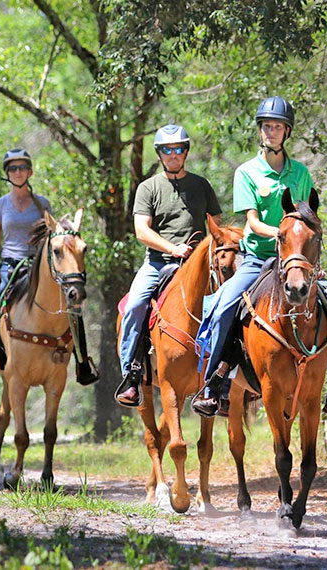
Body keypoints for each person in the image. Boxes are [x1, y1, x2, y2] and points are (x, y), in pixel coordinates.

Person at [190, 96, 327, 425]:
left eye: (278, 127)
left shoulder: (300, 173)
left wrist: (300, 247)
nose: (271, 132)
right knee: (224, 305)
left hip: (297, 261)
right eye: (267, 126)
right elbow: (252, 222)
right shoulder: (247, 173)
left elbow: (308, 220)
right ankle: (214, 384)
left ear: (286, 132)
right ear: (260, 131)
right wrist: (282, 235)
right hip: (259, 259)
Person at [114, 124, 222, 407]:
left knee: (230, 304)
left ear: (185, 152)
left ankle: (225, 377)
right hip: (158, 263)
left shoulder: (201, 185)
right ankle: (132, 375)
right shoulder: (148, 187)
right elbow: (142, 231)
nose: (173, 154)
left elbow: (217, 227)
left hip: (199, 265)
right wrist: (173, 248)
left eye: (178, 149)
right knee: (135, 305)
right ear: (160, 154)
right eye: (167, 150)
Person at [0, 149, 98, 385]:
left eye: (22, 168)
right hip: (9, 264)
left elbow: (53, 239)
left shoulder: (42, 204)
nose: (17, 172)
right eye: (13, 169)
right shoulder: (0, 205)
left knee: (73, 307)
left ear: (29, 172)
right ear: (7, 173)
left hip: (37, 266)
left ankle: (82, 363)